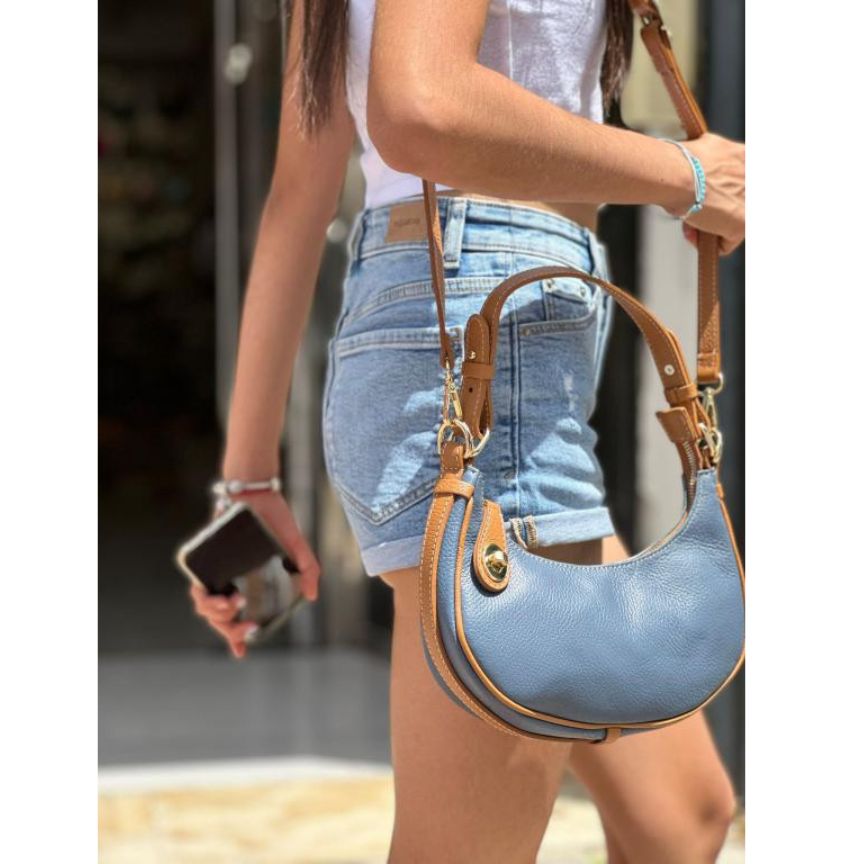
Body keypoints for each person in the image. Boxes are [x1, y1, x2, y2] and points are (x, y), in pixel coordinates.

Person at [188, 0, 745, 861]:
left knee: (680, 815)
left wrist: (250, 478)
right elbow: (423, 105)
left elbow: (299, 196)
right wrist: (684, 173)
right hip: (489, 347)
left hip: (480, 336)